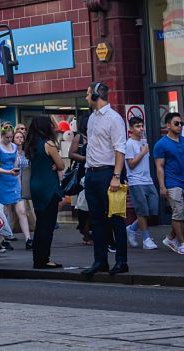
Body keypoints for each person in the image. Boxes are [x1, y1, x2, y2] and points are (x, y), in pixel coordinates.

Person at [81, 82, 129, 278]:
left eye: (87, 94)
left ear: (95, 96)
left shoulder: (114, 119)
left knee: (116, 219)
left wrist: (116, 176)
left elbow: (120, 148)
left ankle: (121, 261)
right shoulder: (92, 118)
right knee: (97, 220)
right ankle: (100, 261)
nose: (86, 98)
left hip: (108, 173)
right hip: (91, 173)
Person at [25, 115, 66, 269]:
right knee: (48, 225)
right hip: (49, 186)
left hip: (35, 186)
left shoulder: (31, 145)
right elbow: (61, 164)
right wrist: (56, 165)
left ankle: (38, 258)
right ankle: (45, 259)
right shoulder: (49, 144)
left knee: (40, 223)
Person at [153, 111, 184, 255]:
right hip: (172, 182)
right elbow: (159, 167)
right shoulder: (161, 144)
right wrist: (162, 186)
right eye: (176, 123)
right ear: (168, 125)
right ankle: (182, 244)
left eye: (181, 123)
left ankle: (170, 237)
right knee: (178, 213)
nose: (180, 126)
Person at [0, 125, 30, 250]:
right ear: (2, 136)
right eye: (6, 137)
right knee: (4, 212)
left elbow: (15, 163)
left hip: (13, 181)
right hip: (2, 181)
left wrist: (17, 180)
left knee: (22, 211)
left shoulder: (13, 147)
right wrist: (9, 172)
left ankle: (28, 239)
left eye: (10, 137)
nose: (9, 139)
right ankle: (1, 239)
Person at [123, 115, 158, 250]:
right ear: (131, 129)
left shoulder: (144, 142)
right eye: (137, 126)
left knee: (152, 209)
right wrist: (143, 152)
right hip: (135, 181)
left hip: (148, 180)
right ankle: (146, 238)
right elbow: (131, 164)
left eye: (142, 125)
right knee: (142, 211)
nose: (141, 128)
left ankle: (132, 228)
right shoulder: (129, 144)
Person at [68, 113, 90, 244]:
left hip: (92, 171)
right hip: (83, 173)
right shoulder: (79, 137)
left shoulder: (96, 136)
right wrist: (86, 159)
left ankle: (88, 231)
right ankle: (85, 233)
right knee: (84, 205)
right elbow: (71, 153)